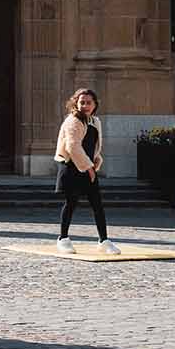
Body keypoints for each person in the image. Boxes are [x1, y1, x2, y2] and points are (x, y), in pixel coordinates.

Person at [54, 86, 120, 254]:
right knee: (71, 203)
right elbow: (72, 146)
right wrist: (89, 168)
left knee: (97, 204)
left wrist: (96, 160)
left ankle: (104, 240)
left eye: (88, 102)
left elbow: (94, 145)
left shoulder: (95, 121)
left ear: (95, 104)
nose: (85, 105)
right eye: (81, 102)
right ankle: (63, 238)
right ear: (75, 103)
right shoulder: (73, 121)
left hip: (87, 166)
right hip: (71, 167)